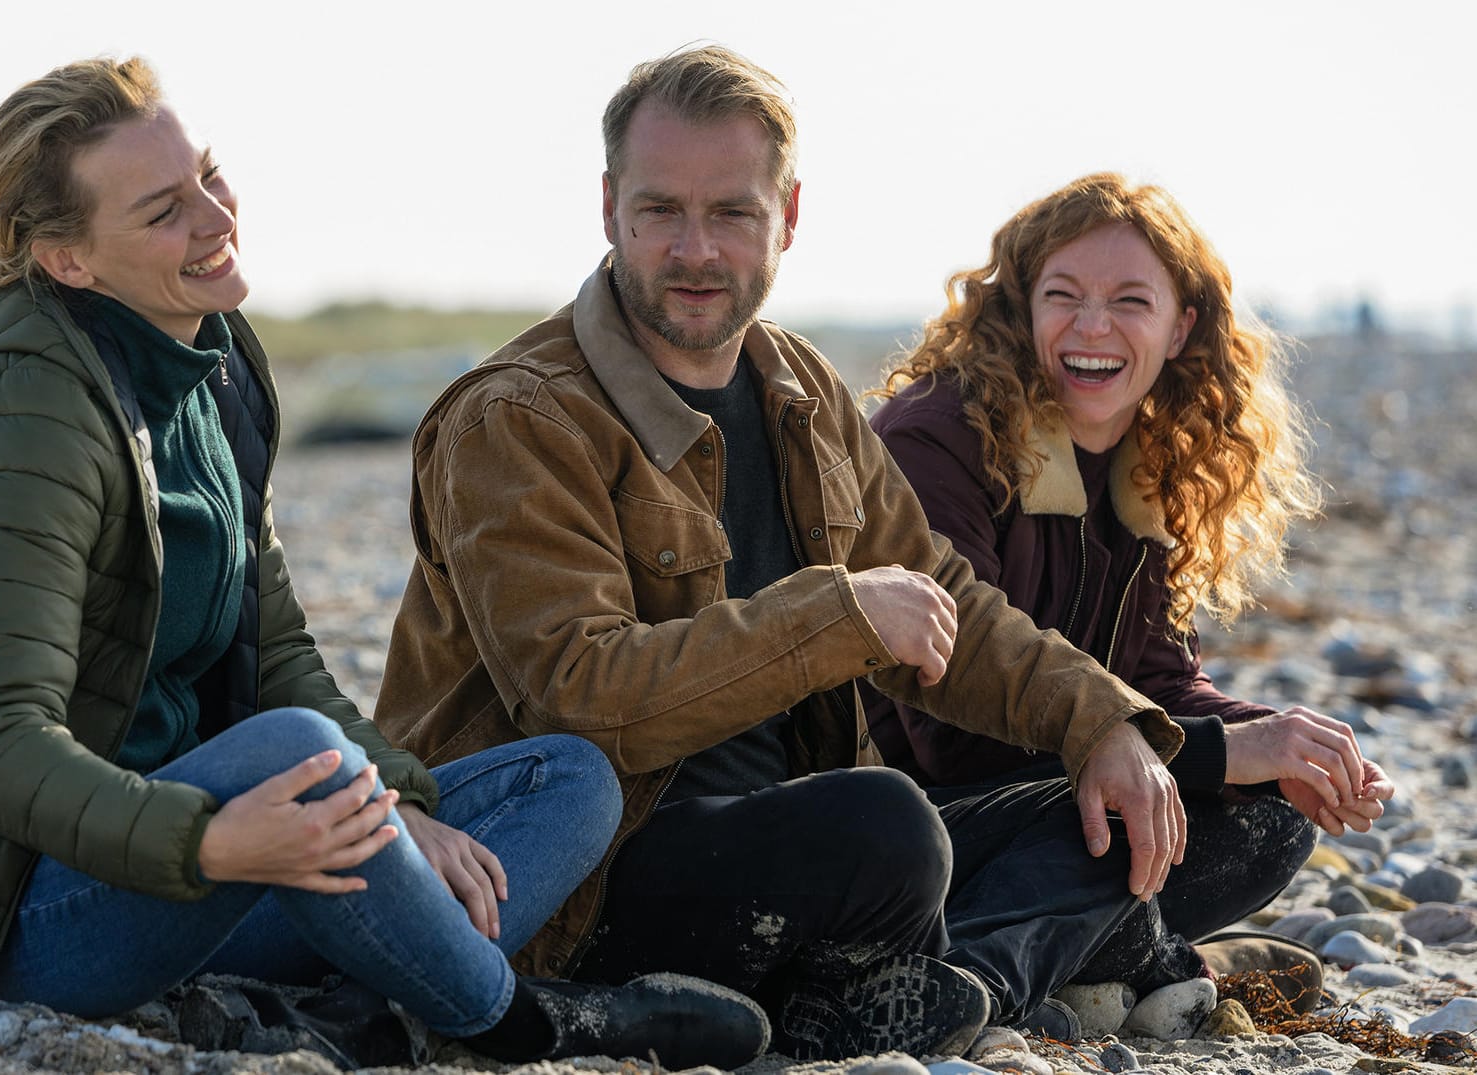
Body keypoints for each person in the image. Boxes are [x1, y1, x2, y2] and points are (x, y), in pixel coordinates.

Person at [0, 56, 770, 1070]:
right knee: (294, 752)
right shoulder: (26, 417)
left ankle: (353, 1017)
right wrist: (208, 843)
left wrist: (398, 805)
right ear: (70, 260)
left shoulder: (208, 364)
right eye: (166, 210)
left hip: (215, 868)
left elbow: (280, 651)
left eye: (209, 176)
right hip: (29, 913)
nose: (216, 217)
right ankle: (520, 1020)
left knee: (569, 776)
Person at [376, 45, 1202, 1061]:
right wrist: (833, 617)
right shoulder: (520, 417)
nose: (695, 250)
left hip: (775, 830)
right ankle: (940, 972)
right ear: (607, 209)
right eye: (659, 211)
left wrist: (1101, 722)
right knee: (888, 830)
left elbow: (941, 596)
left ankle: (921, 984)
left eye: (732, 213)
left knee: (1144, 810)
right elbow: (578, 693)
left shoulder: (796, 384)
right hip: (586, 877)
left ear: (790, 217)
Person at [863, 172, 1395, 1009]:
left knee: (1272, 815)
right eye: (1062, 295)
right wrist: (1215, 752)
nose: (1091, 326)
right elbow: (948, 731)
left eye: (1129, 301)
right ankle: (974, 981)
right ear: (1020, 308)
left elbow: (1160, 680)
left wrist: (1282, 743)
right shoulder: (937, 436)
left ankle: (1103, 942)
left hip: (1052, 795)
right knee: (1125, 809)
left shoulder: (1147, 463)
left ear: (1181, 326)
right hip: (903, 820)